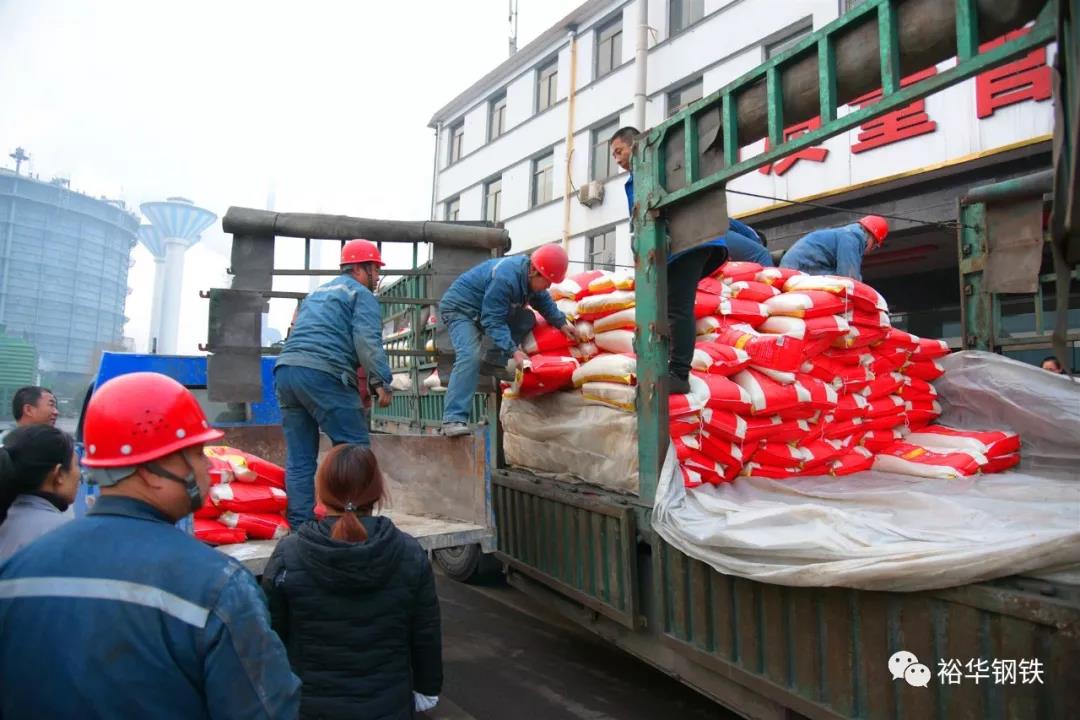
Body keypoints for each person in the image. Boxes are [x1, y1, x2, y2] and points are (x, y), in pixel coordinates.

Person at [0, 371, 300, 718]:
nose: (208, 470)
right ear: (151, 470)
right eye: (198, 454)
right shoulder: (217, 587)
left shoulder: (15, 573)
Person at [262, 444, 442, 720]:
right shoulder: (408, 553)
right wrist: (427, 687)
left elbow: (272, 637)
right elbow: (425, 633)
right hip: (389, 706)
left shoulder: (290, 554)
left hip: (311, 708)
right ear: (378, 492)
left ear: (321, 493)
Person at [275, 238, 394, 529]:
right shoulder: (360, 295)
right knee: (355, 450)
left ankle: (301, 528)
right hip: (323, 373)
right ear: (359, 268)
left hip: (286, 372)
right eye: (375, 269)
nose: (377, 277)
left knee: (300, 458)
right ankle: (355, 523)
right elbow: (367, 341)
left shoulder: (316, 294)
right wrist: (381, 381)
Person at [610, 126, 730, 394]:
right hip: (681, 246)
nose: (617, 160)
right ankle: (668, 364)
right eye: (614, 155)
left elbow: (645, 216)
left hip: (688, 243)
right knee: (668, 307)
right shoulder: (648, 170)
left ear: (635, 144)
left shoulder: (651, 166)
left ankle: (679, 373)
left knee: (678, 307)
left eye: (619, 151)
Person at [439, 245, 577, 436]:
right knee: (470, 356)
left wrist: (562, 323)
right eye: (548, 281)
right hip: (460, 310)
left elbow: (543, 300)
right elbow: (492, 320)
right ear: (534, 271)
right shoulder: (505, 278)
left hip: (483, 309)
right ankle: (453, 419)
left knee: (527, 318)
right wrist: (514, 351)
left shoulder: (530, 276)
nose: (549, 286)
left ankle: (493, 361)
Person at [0, 425, 79, 562]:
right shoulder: (66, 534)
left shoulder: (5, 520)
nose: (80, 475)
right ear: (59, 474)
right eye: (76, 465)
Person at [779, 215, 889, 281]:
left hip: (797, 265)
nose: (869, 251)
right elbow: (849, 277)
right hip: (802, 267)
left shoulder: (845, 234)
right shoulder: (853, 237)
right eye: (874, 246)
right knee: (842, 283)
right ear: (872, 238)